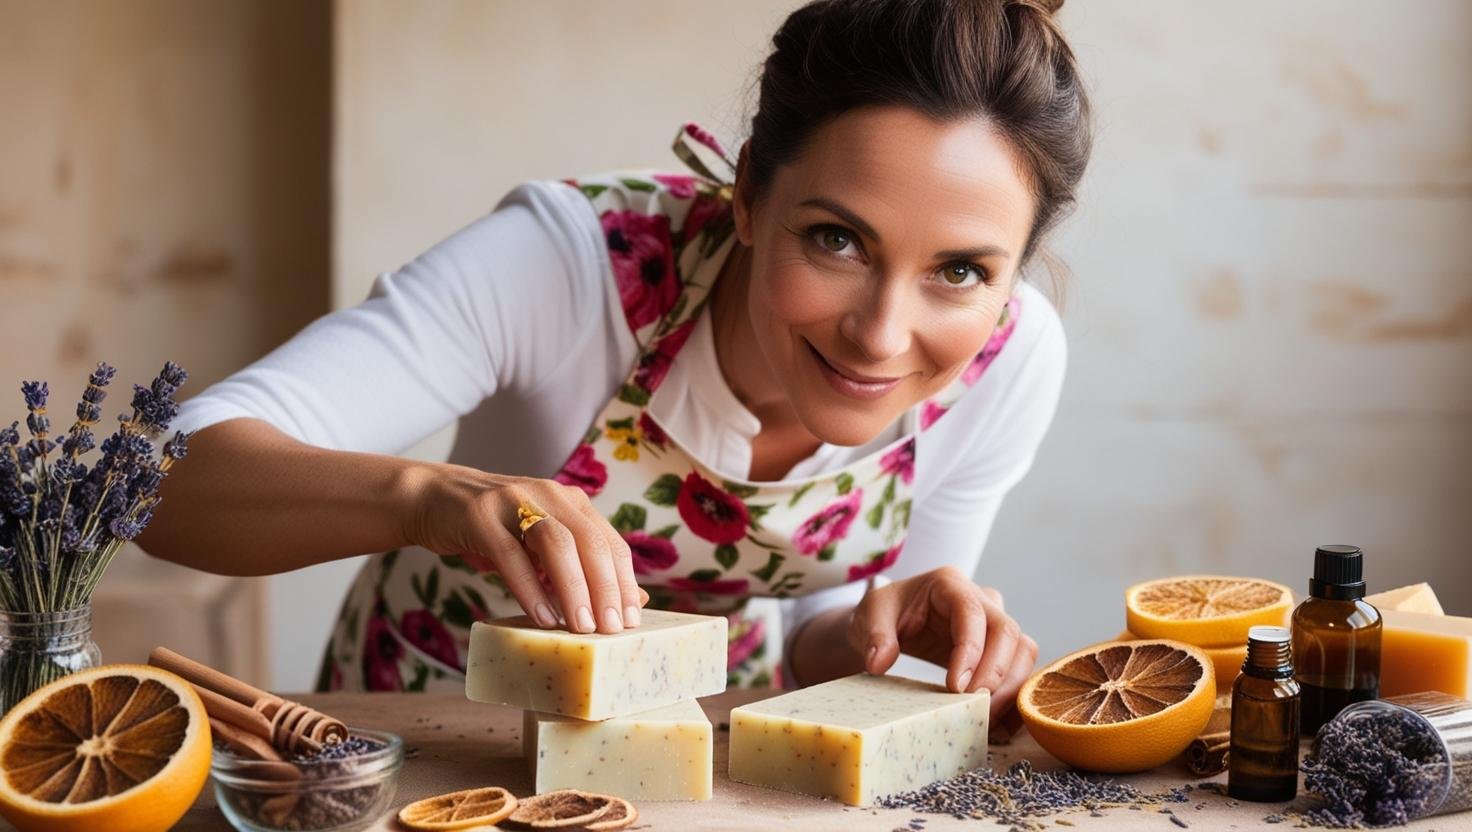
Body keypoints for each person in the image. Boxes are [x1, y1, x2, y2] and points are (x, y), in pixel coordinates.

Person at [140, 0, 1091, 722]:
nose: (883, 335)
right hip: (430, 743)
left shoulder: (1009, 362)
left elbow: (825, 646)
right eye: (838, 241)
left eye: (960, 270)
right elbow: (158, 479)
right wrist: (428, 497)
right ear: (751, 192)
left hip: (704, 764)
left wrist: (883, 631)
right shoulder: (569, 262)